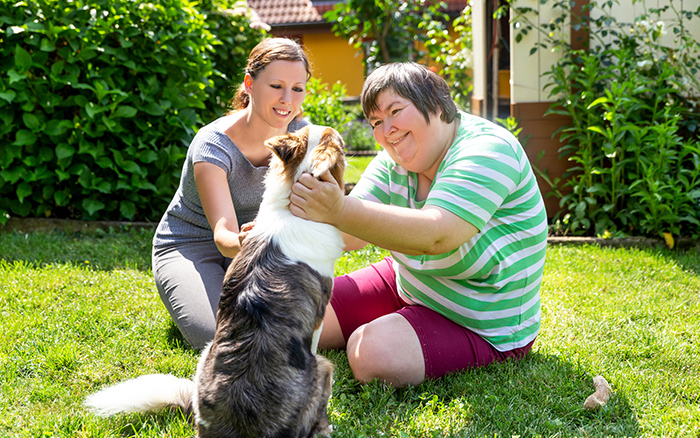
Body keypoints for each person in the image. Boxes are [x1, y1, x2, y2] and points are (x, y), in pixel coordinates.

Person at [289, 62, 548, 388]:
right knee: (290, 311)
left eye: (396, 111)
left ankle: (413, 334)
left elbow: (437, 235)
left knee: (371, 353)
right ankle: (400, 321)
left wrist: (337, 208)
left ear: (437, 104)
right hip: (409, 282)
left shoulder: (487, 150)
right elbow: (350, 235)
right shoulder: (393, 159)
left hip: (480, 319)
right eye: (377, 122)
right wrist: (280, 231)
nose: (386, 131)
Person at [152, 38, 311, 350]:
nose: (286, 99)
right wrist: (245, 241)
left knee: (289, 328)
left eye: (297, 88)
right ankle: (189, 288)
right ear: (250, 84)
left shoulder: (303, 138)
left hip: (260, 248)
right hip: (194, 245)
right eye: (276, 85)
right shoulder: (212, 144)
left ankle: (222, 292)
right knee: (223, 339)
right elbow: (223, 235)